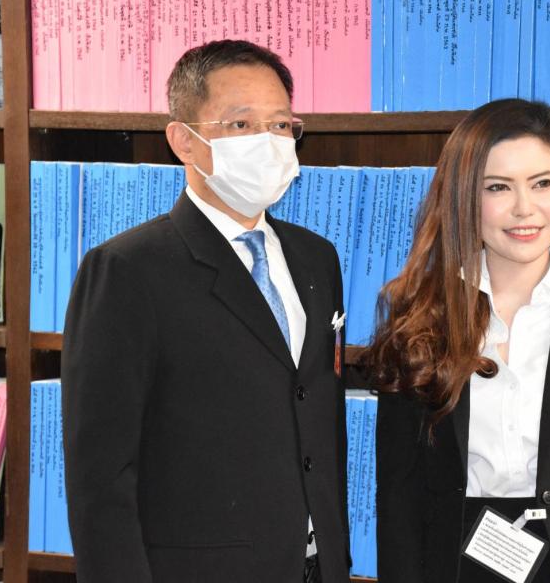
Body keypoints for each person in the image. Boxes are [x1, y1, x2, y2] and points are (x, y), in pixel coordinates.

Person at [62, 40, 350, 583]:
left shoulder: (317, 257)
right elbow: (100, 476)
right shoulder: (127, 269)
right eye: (241, 125)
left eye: (281, 125)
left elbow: (319, 422)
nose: (268, 142)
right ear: (183, 141)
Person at [362, 99, 550, 582]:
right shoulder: (419, 312)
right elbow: (399, 490)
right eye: (498, 187)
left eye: (543, 183)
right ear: (463, 197)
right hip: (453, 563)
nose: (525, 208)